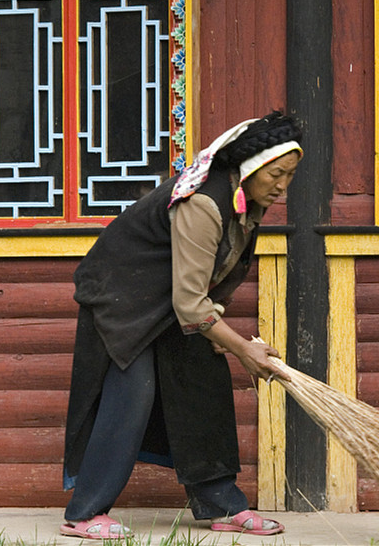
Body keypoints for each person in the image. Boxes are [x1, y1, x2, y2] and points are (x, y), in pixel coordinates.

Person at [60, 111, 302, 540]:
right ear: (248, 168)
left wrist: (221, 332)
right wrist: (242, 348)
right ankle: (84, 513)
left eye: (290, 175)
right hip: (124, 300)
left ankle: (221, 504)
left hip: (171, 302)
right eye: (277, 173)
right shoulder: (204, 202)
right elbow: (191, 304)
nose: (283, 185)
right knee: (132, 395)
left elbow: (218, 272)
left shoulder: (246, 204)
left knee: (202, 386)